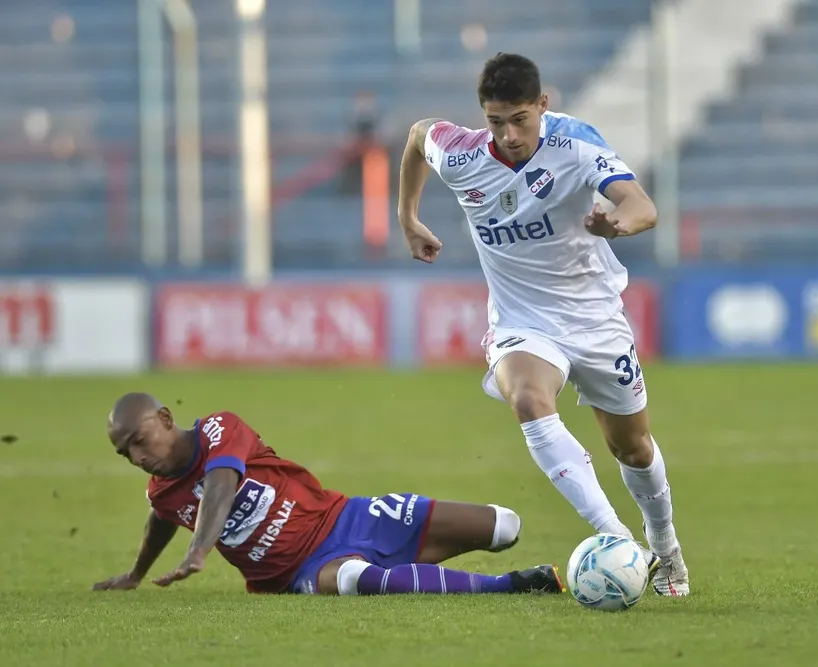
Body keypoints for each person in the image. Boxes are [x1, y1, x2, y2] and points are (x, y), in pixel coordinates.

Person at [396, 53, 689, 596]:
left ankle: (665, 545)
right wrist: (408, 216)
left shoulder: (576, 144)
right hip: (522, 320)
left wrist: (616, 225)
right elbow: (418, 136)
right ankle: (620, 541)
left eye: (520, 119)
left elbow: (641, 204)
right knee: (529, 400)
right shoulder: (461, 153)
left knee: (633, 447)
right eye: (495, 120)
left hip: (594, 318)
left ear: (543, 106)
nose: (508, 134)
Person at [92, 393, 564, 597]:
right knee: (354, 578)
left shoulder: (220, 429)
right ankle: (512, 585)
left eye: (139, 439)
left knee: (506, 525)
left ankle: (404, 567)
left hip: (348, 517)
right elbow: (161, 516)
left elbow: (220, 484)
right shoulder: (162, 494)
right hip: (301, 571)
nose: (136, 456)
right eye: (124, 452)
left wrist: (199, 550)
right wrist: (136, 573)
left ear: (167, 418)